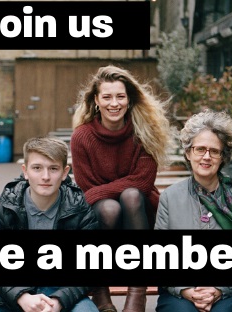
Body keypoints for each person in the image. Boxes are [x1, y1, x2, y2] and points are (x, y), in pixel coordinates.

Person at [70, 65, 170, 312]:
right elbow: (86, 187)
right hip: (101, 221)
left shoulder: (143, 131)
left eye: (120, 96)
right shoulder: (82, 136)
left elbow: (143, 182)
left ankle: (138, 291)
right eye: (107, 97)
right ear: (96, 100)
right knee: (109, 208)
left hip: (140, 217)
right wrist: (97, 195)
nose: (114, 103)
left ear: (129, 99)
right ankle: (101, 295)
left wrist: (97, 193)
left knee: (132, 196)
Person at [155, 110, 232, 312]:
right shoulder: (170, 197)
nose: (206, 156)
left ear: (223, 156)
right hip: (181, 291)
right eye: (200, 149)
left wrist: (218, 290)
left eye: (214, 151)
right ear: (188, 152)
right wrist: (187, 291)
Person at [0, 137, 99, 312]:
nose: (45, 177)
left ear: (65, 173)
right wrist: (22, 297)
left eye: (53, 169)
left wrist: (59, 301)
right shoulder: (1, 209)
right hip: (11, 292)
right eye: (37, 168)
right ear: (25, 171)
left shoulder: (79, 209)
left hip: (64, 292)